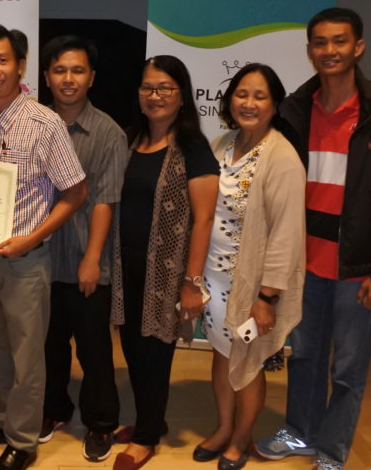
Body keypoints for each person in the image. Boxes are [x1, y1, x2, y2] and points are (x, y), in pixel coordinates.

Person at [256, 8, 371, 470]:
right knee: (304, 354)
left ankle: (331, 450)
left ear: (358, 47)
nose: (329, 51)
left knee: (347, 369)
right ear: (309, 51)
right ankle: (301, 433)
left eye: (339, 41)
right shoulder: (294, 108)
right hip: (305, 261)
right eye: (320, 43)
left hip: (358, 266)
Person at [0, 24, 87, 470]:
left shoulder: (44, 124)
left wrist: (31, 238)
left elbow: (76, 192)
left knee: (27, 357)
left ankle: (24, 440)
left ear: (21, 65)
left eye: (3, 60)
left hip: (28, 262)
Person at [192, 64, 305, 470]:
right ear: (229, 100)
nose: (249, 103)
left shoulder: (282, 157)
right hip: (215, 278)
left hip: (252, 286)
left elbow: (288, 233)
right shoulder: (223, 143)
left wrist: (267, 296)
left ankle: (241, 439)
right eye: (242, 94)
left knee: (249, 362)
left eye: (260, 96)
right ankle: (224, 428)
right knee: (223, 355)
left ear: (275, 105)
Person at [110, 55, 218, 470]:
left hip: (167, 275)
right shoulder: (131, 139)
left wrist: (191, 283)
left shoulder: (193, 147)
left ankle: (146, 438)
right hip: (128, 269)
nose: (155, 96)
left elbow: (203, 218)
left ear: (182, 95)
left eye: (165, 88)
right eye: (148, 88)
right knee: (135, 351)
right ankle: (149, 419)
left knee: (156, 353)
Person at [38, 35, 126, 461]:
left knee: (94, 351)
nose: (68, 79)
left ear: (91, 77)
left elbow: (105, 199)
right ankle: (54, 410)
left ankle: (101, 423)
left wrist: (92, 259)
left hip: (86, 263)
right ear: (46, 77)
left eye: (77, 70)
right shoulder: (34, 123)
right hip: (39, 262)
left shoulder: (108, 131)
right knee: (49, 346)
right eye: (59, 70)